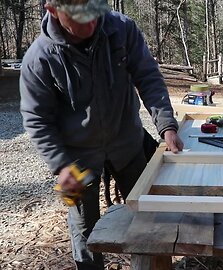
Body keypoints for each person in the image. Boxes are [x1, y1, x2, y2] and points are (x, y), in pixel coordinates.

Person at [19, 0, 184, 268]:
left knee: (149, 218)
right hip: (78, 160)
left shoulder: (121, 29)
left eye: (95, 11)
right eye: (81, 16)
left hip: (127, 144)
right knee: (85, 232)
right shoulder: (40, 59)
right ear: (52, 10)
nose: (92, 21)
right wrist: (61, 166)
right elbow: (37, 119)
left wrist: (166, 124)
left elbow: (148, 77)